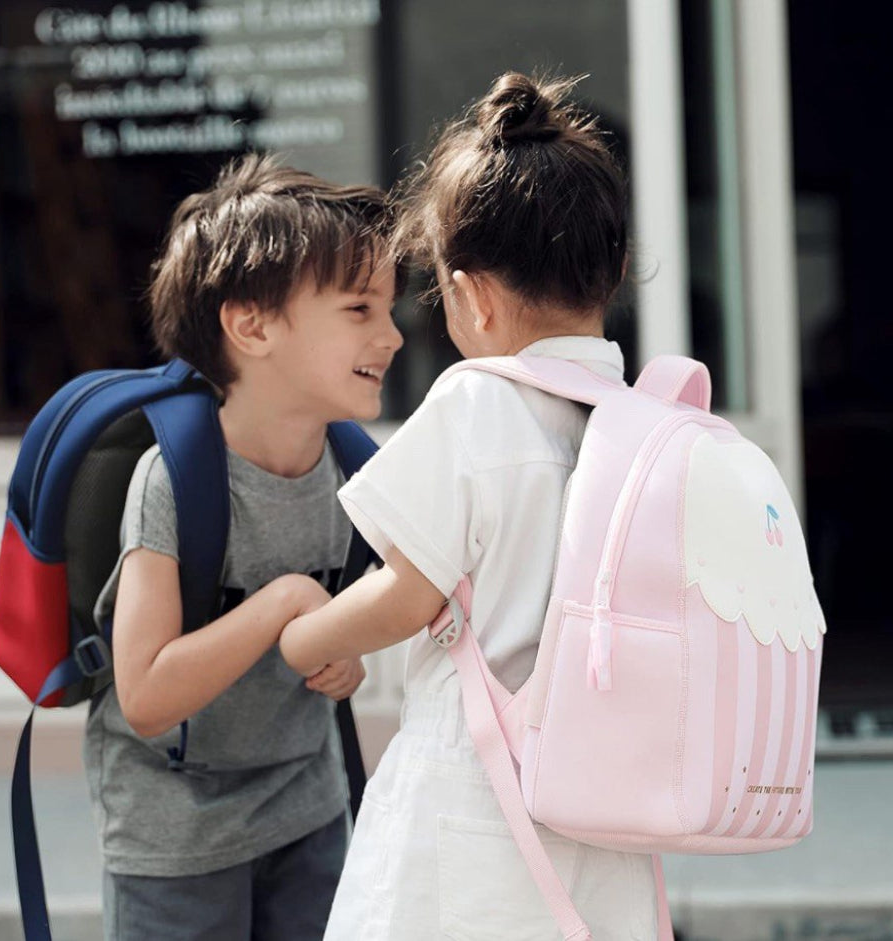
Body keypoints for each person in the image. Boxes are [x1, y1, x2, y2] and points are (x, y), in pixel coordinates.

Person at [278, 73, 660, 940]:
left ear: (473, 294)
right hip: (605, 801)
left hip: (480, 795)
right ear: (609, 274)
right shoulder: (636, 421)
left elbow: (409, 591)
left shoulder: (477, 400)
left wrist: (308, 633)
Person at [84, 153, 405, 941]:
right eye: (359, 309)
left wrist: (342, 653)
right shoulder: (176, 480)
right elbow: (145, 694)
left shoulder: (355, 471)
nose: (393, 335)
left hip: (307, 813)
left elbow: (340, 625)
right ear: (252, 326)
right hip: (175, 837)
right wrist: (286, 603)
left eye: (390, 308)